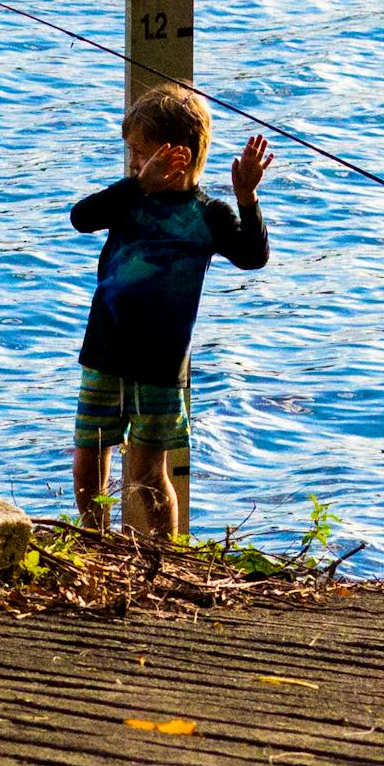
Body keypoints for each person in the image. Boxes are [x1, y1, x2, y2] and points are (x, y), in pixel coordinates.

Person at [70, 85, 273, 540]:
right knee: (90, 452)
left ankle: (167, 549)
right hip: (105, 349)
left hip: (162, 364)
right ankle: (95, 539)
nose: (134, 165)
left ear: (175, 157)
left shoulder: (209, 214)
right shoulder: (130, 199)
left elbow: (253, 257)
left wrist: (248, 199)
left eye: (140, 156)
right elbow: (81, 217)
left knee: (147, 469)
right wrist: (137, 184)